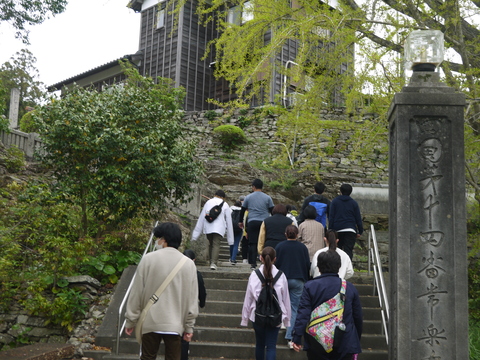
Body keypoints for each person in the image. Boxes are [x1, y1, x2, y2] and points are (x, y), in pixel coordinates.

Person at [125, 223, 199, 360]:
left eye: (158, 238)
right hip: (175, 324)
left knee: (147, 357)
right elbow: (192, 299)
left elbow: (137, 292)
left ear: (164, 239)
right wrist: (189, 327)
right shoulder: (188, 264)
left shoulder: (148, 259)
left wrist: (131, 320)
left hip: (150, 322)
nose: (157, 242)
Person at [292, 250, 363, 360]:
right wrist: (355, 339)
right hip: (345, 341)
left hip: (317, 342)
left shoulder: (310, 286)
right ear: (339, 266)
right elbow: (357, 316)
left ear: (318, 267)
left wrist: (297, 337)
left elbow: (303, 313)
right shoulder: (349, 287)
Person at [241, 247, 291, 360]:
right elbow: (286, 299)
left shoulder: (254, 275)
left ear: (261, 258)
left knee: (260, 344)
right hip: (276, 315)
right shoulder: (281, 276)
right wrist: (287, 320)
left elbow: (248, 298)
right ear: (275, 259)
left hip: (257, 315)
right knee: (271, 346)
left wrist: (245, 318)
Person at [274, 225, 310, 349]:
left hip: (282, 279)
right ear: (297, 234)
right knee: (294, 308)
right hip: (298, 279)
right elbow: (307, 264)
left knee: (281, 304)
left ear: (285, 234)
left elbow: (276, 264)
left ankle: (282, 323)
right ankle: (290, 338)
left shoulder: (279, 246)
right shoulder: (302, 247)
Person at [192, 189, 234, 270]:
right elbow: (229, 220)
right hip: (219, 228)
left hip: (208, 226)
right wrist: (230, 239)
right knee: (216, 244)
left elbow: (202, 217)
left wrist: (195, 234)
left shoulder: (208, 202)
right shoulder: (225, 204)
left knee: (211, 243)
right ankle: (213, 263)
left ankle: (211, 261)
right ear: (223, 197)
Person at [239, 179, 274, 270]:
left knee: (253, 243)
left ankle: (253, 264)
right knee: (264, 242)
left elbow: (242, 211)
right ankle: (265, 262)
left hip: (252, 222)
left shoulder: (248, 197)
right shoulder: (267, 198)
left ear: (254, 187)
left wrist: (240, 222)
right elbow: (272, 211)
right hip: (264, 222)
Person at [181, 249, 206, 360]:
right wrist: (202, 302)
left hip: (176, 305)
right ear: (194, 260)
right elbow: (201, 289)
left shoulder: (176, 272)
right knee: (185, 335)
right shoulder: (196, 273)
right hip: (189, 307)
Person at [328, 184, 364, 260]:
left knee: (338, 250)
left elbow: (331, 217)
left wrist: (330, 229)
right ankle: (348, 267)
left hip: (338, 229)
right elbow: (358, 218)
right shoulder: (353, 203)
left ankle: (338, 267)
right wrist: (360, 231)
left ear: (340, 191)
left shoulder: (335, 202)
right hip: (350, 229)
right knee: (348, 250)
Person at [230, 200, 243, 265]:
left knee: (231, 243)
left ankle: (230, 257)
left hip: (231, 229)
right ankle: (233, 259)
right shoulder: (241, 211)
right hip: (239, 229)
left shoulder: (230, 209)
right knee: (236, 244)